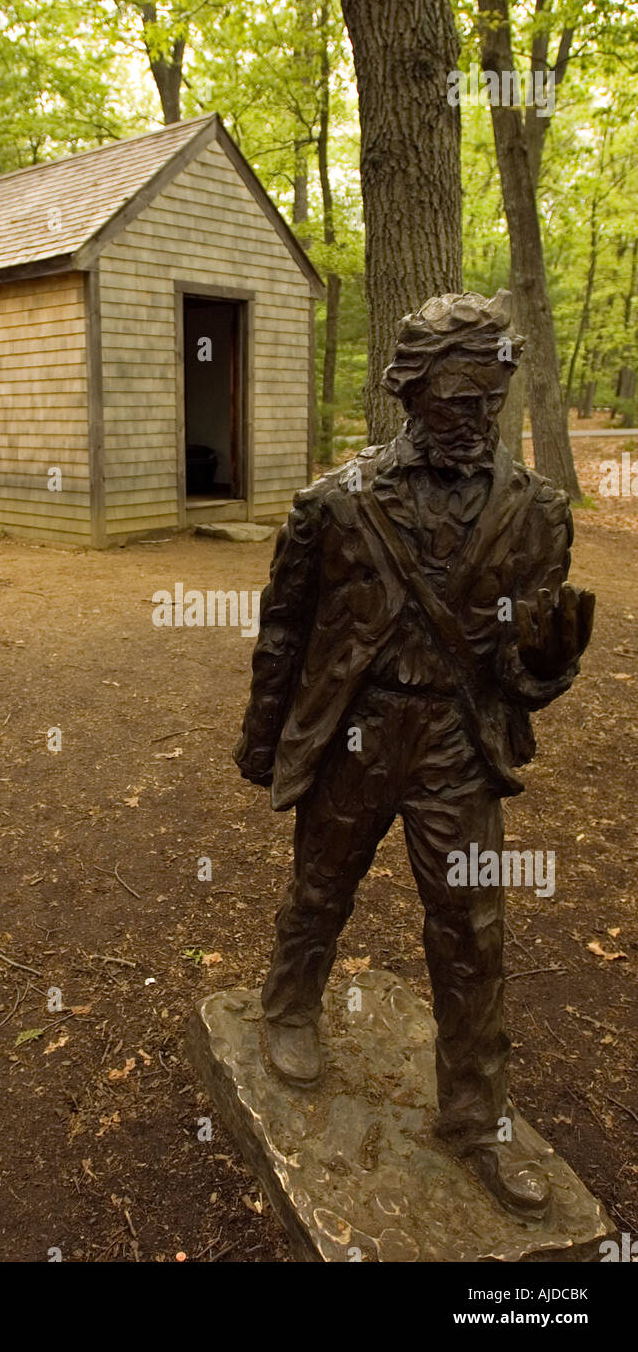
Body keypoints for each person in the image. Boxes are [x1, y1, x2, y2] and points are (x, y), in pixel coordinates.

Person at [234, 290, 594, 1220]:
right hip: (356, 731)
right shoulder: (334, 505)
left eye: (490, 400)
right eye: (457, 399)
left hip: (457, 745)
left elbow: (520, 667)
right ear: (411, 389)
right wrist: (262, 736)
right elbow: (283, 631)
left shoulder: (538, 514)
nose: (476, 418)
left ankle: (475, 1122)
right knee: (321, 885)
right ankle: (288, 1006)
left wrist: (548, 664)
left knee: (472, 931)